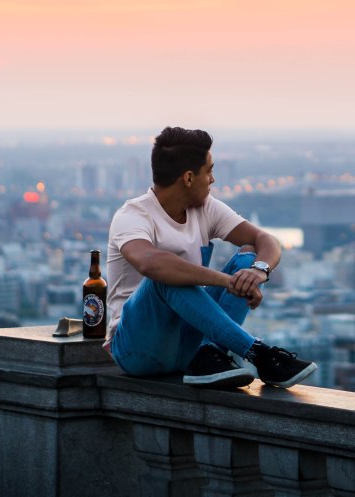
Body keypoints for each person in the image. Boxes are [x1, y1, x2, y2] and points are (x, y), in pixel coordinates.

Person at [105, 126, 317, 389]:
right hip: (138, 350)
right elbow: (150, 263)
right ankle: (256, 353)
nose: (213, 180)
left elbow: (266, 241)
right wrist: (226, 281)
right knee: (163, 276)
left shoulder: (205, 208)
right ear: (189, 178)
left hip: (188, 346)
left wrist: (259, 270)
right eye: (209, 171)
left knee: (248, 257)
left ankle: (208, 354)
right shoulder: (133, 216)